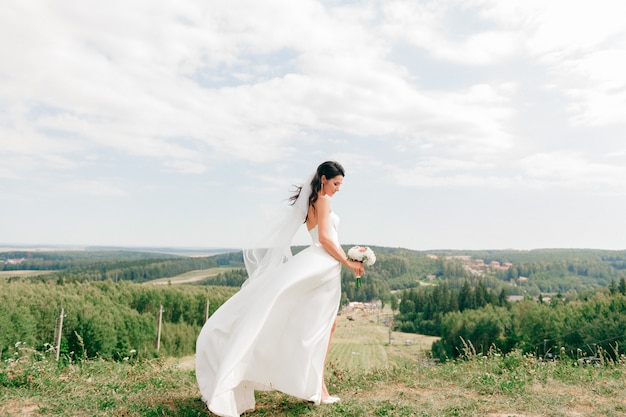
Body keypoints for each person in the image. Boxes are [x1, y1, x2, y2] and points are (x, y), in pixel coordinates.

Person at [195, 161, 364, 417]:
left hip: (319, 263)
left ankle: (316, 385)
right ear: (323, 179)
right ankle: (317, 387)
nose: (338, 189)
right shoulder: (323, 199)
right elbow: (326, 239)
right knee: (320, 326)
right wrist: (349, 262)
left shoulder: (312, 200)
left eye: (340, 184)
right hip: (323, 265)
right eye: (336, 183)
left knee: (324, 325)